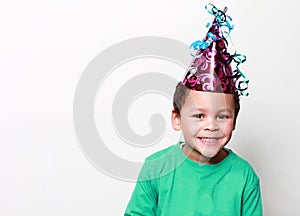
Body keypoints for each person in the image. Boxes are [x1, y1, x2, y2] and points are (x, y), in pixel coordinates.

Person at [124, 3, 262, 216]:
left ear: (234, 121)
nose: (211, 126)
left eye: (222, 116)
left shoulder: (244, 177)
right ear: (177, 118)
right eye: (199, 115)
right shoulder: (155, 168)